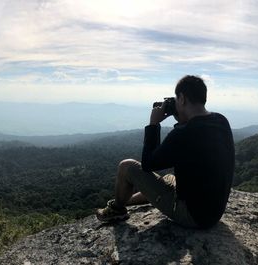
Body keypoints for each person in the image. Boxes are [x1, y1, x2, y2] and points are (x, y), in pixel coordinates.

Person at [96, 75, 235, 229]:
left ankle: (117, 209)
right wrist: (182, 119)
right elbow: (195, 144)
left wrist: (153, 125)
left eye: (176, 99)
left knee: (126, 166)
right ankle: (126, 200)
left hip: (192, 215)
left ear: (182, 98)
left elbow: (148, 164)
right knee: (169, 178)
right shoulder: (221, 120)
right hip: (213, 212)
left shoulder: (183, 133)